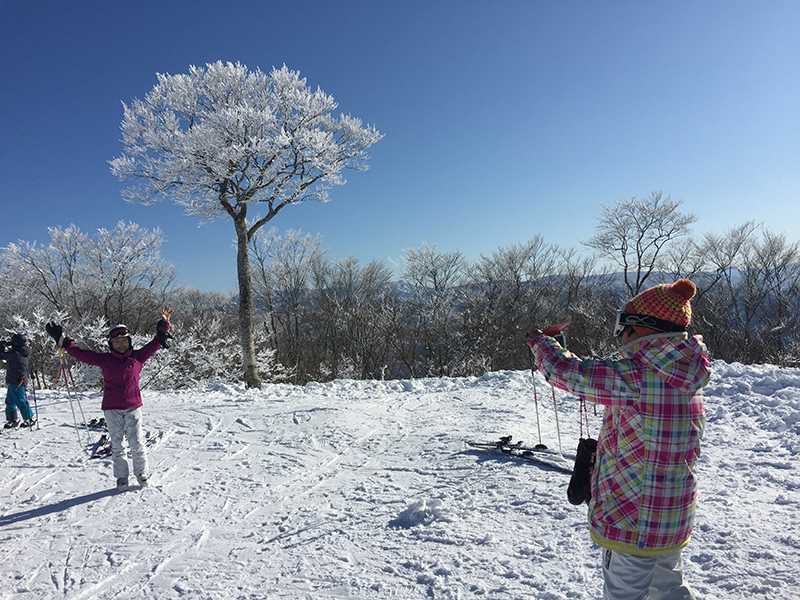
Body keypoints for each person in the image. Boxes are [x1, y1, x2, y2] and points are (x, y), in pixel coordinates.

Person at [527, 279, 710, 600]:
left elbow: (566, 372)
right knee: (669, 589)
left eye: (622, 327)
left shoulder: (636, 377)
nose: (619, 336)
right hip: (669, 519)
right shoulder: (685, 374)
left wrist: (542, 343)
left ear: (641, 329)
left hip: (632, 522)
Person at [46, 307, 173, 490]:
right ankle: (121, 477)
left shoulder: (137, 357)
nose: (121, 344)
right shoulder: (104, 360)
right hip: (111, 408)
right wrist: (63, 341)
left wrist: (164, 324)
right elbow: (81, 354)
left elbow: (156, 342)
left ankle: (141, 473)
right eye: (117, 342)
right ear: (110, 344)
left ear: (129, 342)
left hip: (133, 407)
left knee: (137, 442)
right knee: (117, 444)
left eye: (124, 341)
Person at [2, 333, 35, 429]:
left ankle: (29, 419)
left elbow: (2, 356)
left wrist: (2, 346)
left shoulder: (16, 353)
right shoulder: (22, 351)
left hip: (18, 380)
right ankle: (12, 420)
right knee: (10, 401)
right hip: (15, 379)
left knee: (20, 401)